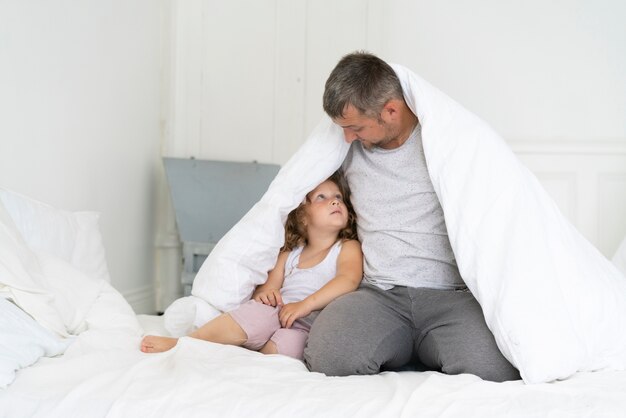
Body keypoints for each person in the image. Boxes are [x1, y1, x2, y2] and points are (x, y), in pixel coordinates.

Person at [303, 51, 521, 382]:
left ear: (390, 111)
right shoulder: (347, 152)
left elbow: (501, 212)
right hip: (380, 294)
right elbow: (301, 198)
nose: (347, 137)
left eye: (356, 127)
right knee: (329, 355)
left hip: (450, 297)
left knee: (493, 367)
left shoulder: (447, 144)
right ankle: (401, 345)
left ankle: (430, 347)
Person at [141, 172, 363, 360]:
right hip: (279, 311)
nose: (335, 201)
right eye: (321, 197)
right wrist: (267, 294)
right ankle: (185, 344)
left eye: (338, 197)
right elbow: (268, 288)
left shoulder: (346, 247)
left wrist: (306, 305)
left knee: (287, 347)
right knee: (256, 317)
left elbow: (348, 280)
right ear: (303, 217)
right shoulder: (290, 254)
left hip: (309, 323)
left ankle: (237, 360)